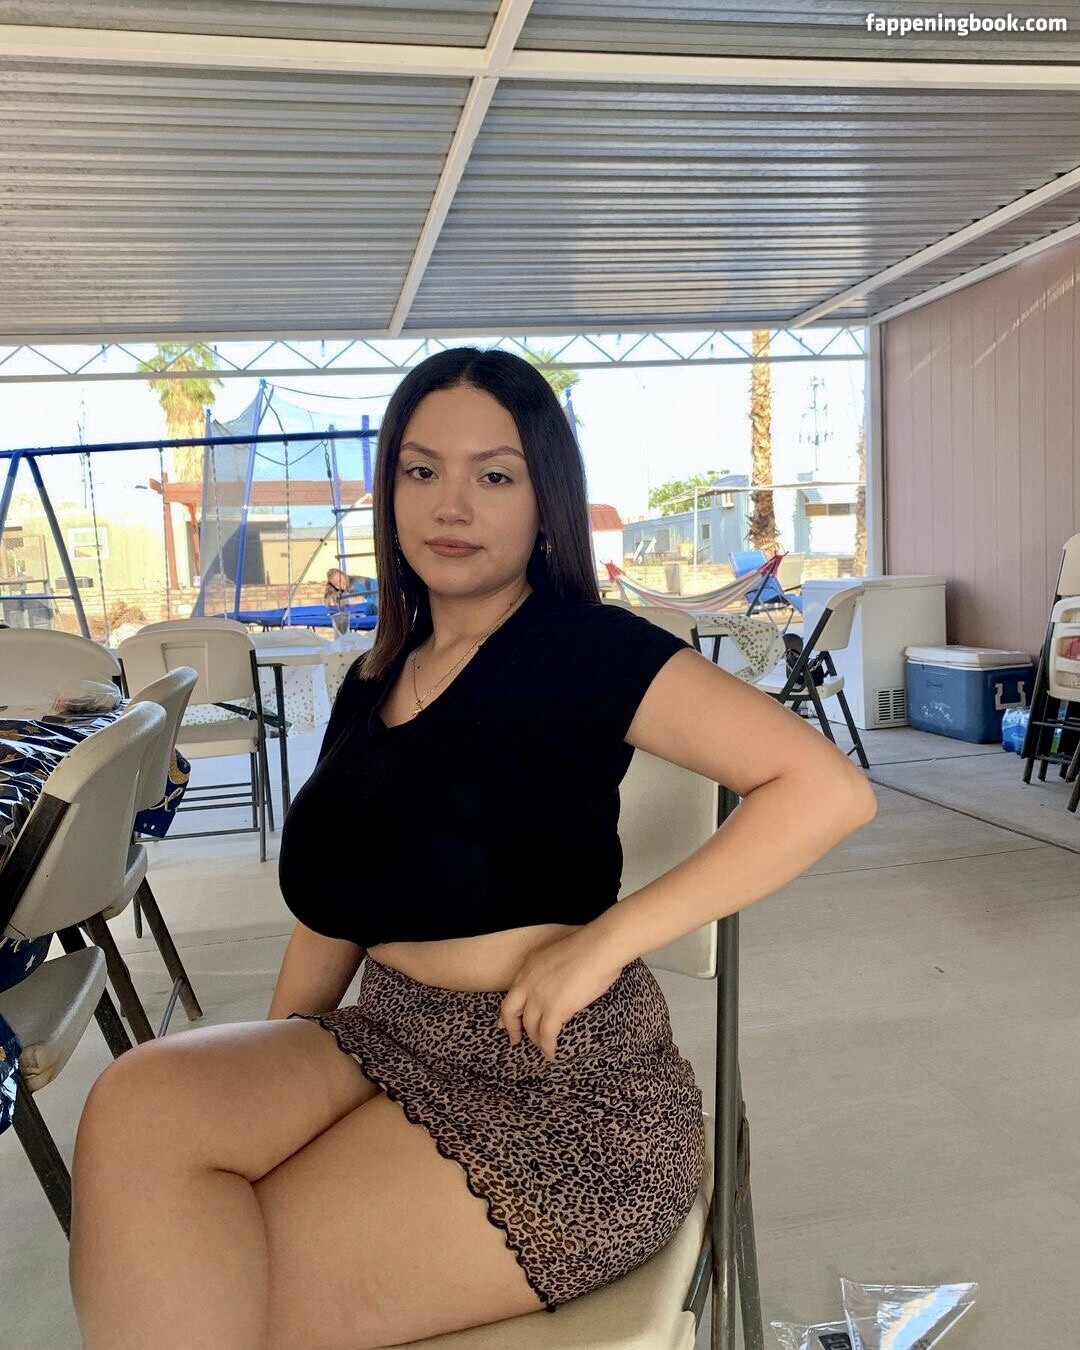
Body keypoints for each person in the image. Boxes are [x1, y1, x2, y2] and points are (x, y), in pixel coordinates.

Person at [69, 349, 877, 1350]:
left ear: (545, 504)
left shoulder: (587, 649)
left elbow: (825, 790)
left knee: (219, 1286)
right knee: (138, 1105)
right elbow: (339, 906)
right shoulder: (376, 677)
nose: (451, 505)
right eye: (422, 471)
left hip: (559, 1090)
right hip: (385, 1038)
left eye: (494, 475)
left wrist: (604, 942)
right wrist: (272, 1072)